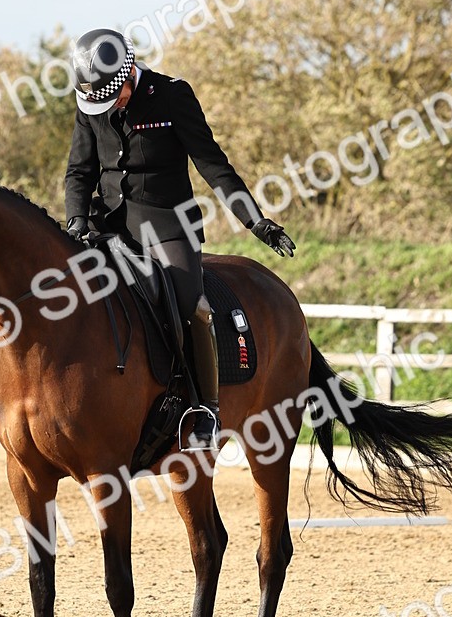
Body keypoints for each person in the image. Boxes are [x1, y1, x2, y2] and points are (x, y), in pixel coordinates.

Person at [64, 27, 296, 448]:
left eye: (111, 97)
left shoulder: (172, 95)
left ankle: (205, 407)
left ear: (128, 74)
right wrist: (76, 220)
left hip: (168, 226)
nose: (104, 108)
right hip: (106, 225)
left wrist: (256, 221)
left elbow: (213, 166)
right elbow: (80, 172)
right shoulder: (92, 102)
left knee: (193, 308)